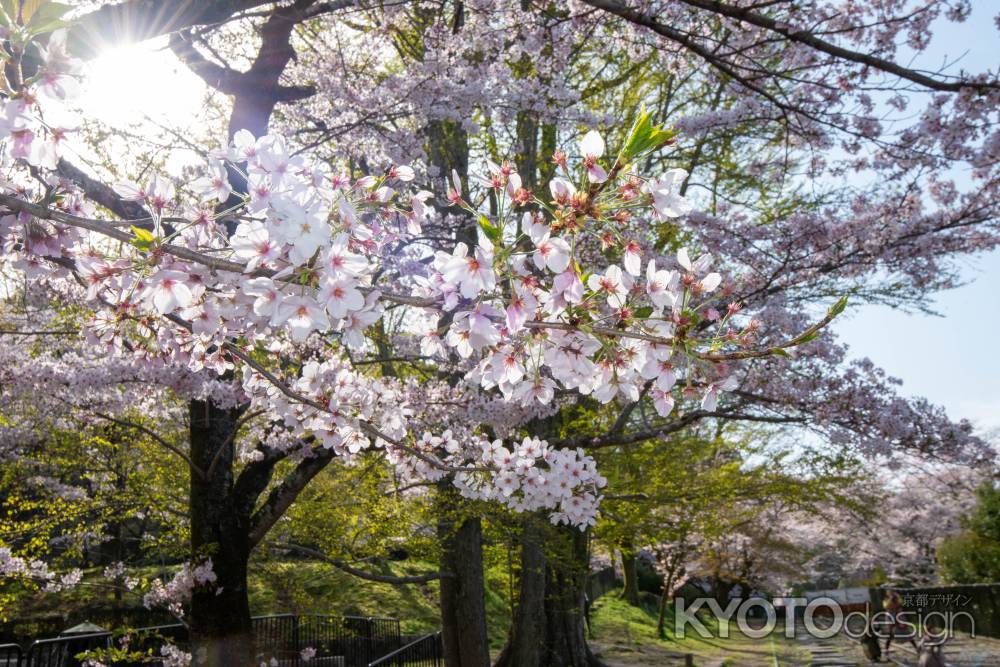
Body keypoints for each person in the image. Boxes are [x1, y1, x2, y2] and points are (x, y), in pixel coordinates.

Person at [883, 590, 918, 654]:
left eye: (891, 592)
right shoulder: (886, 600)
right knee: (890, 634)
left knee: (907, 633)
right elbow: (886, 606)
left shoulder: (897, 598)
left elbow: (902, 603)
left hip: (899, 616)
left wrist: (897, 596)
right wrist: (890, 599)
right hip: (890, 617)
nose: (891, 593)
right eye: (889, 592)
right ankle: (886, 649)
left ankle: (916, 647)